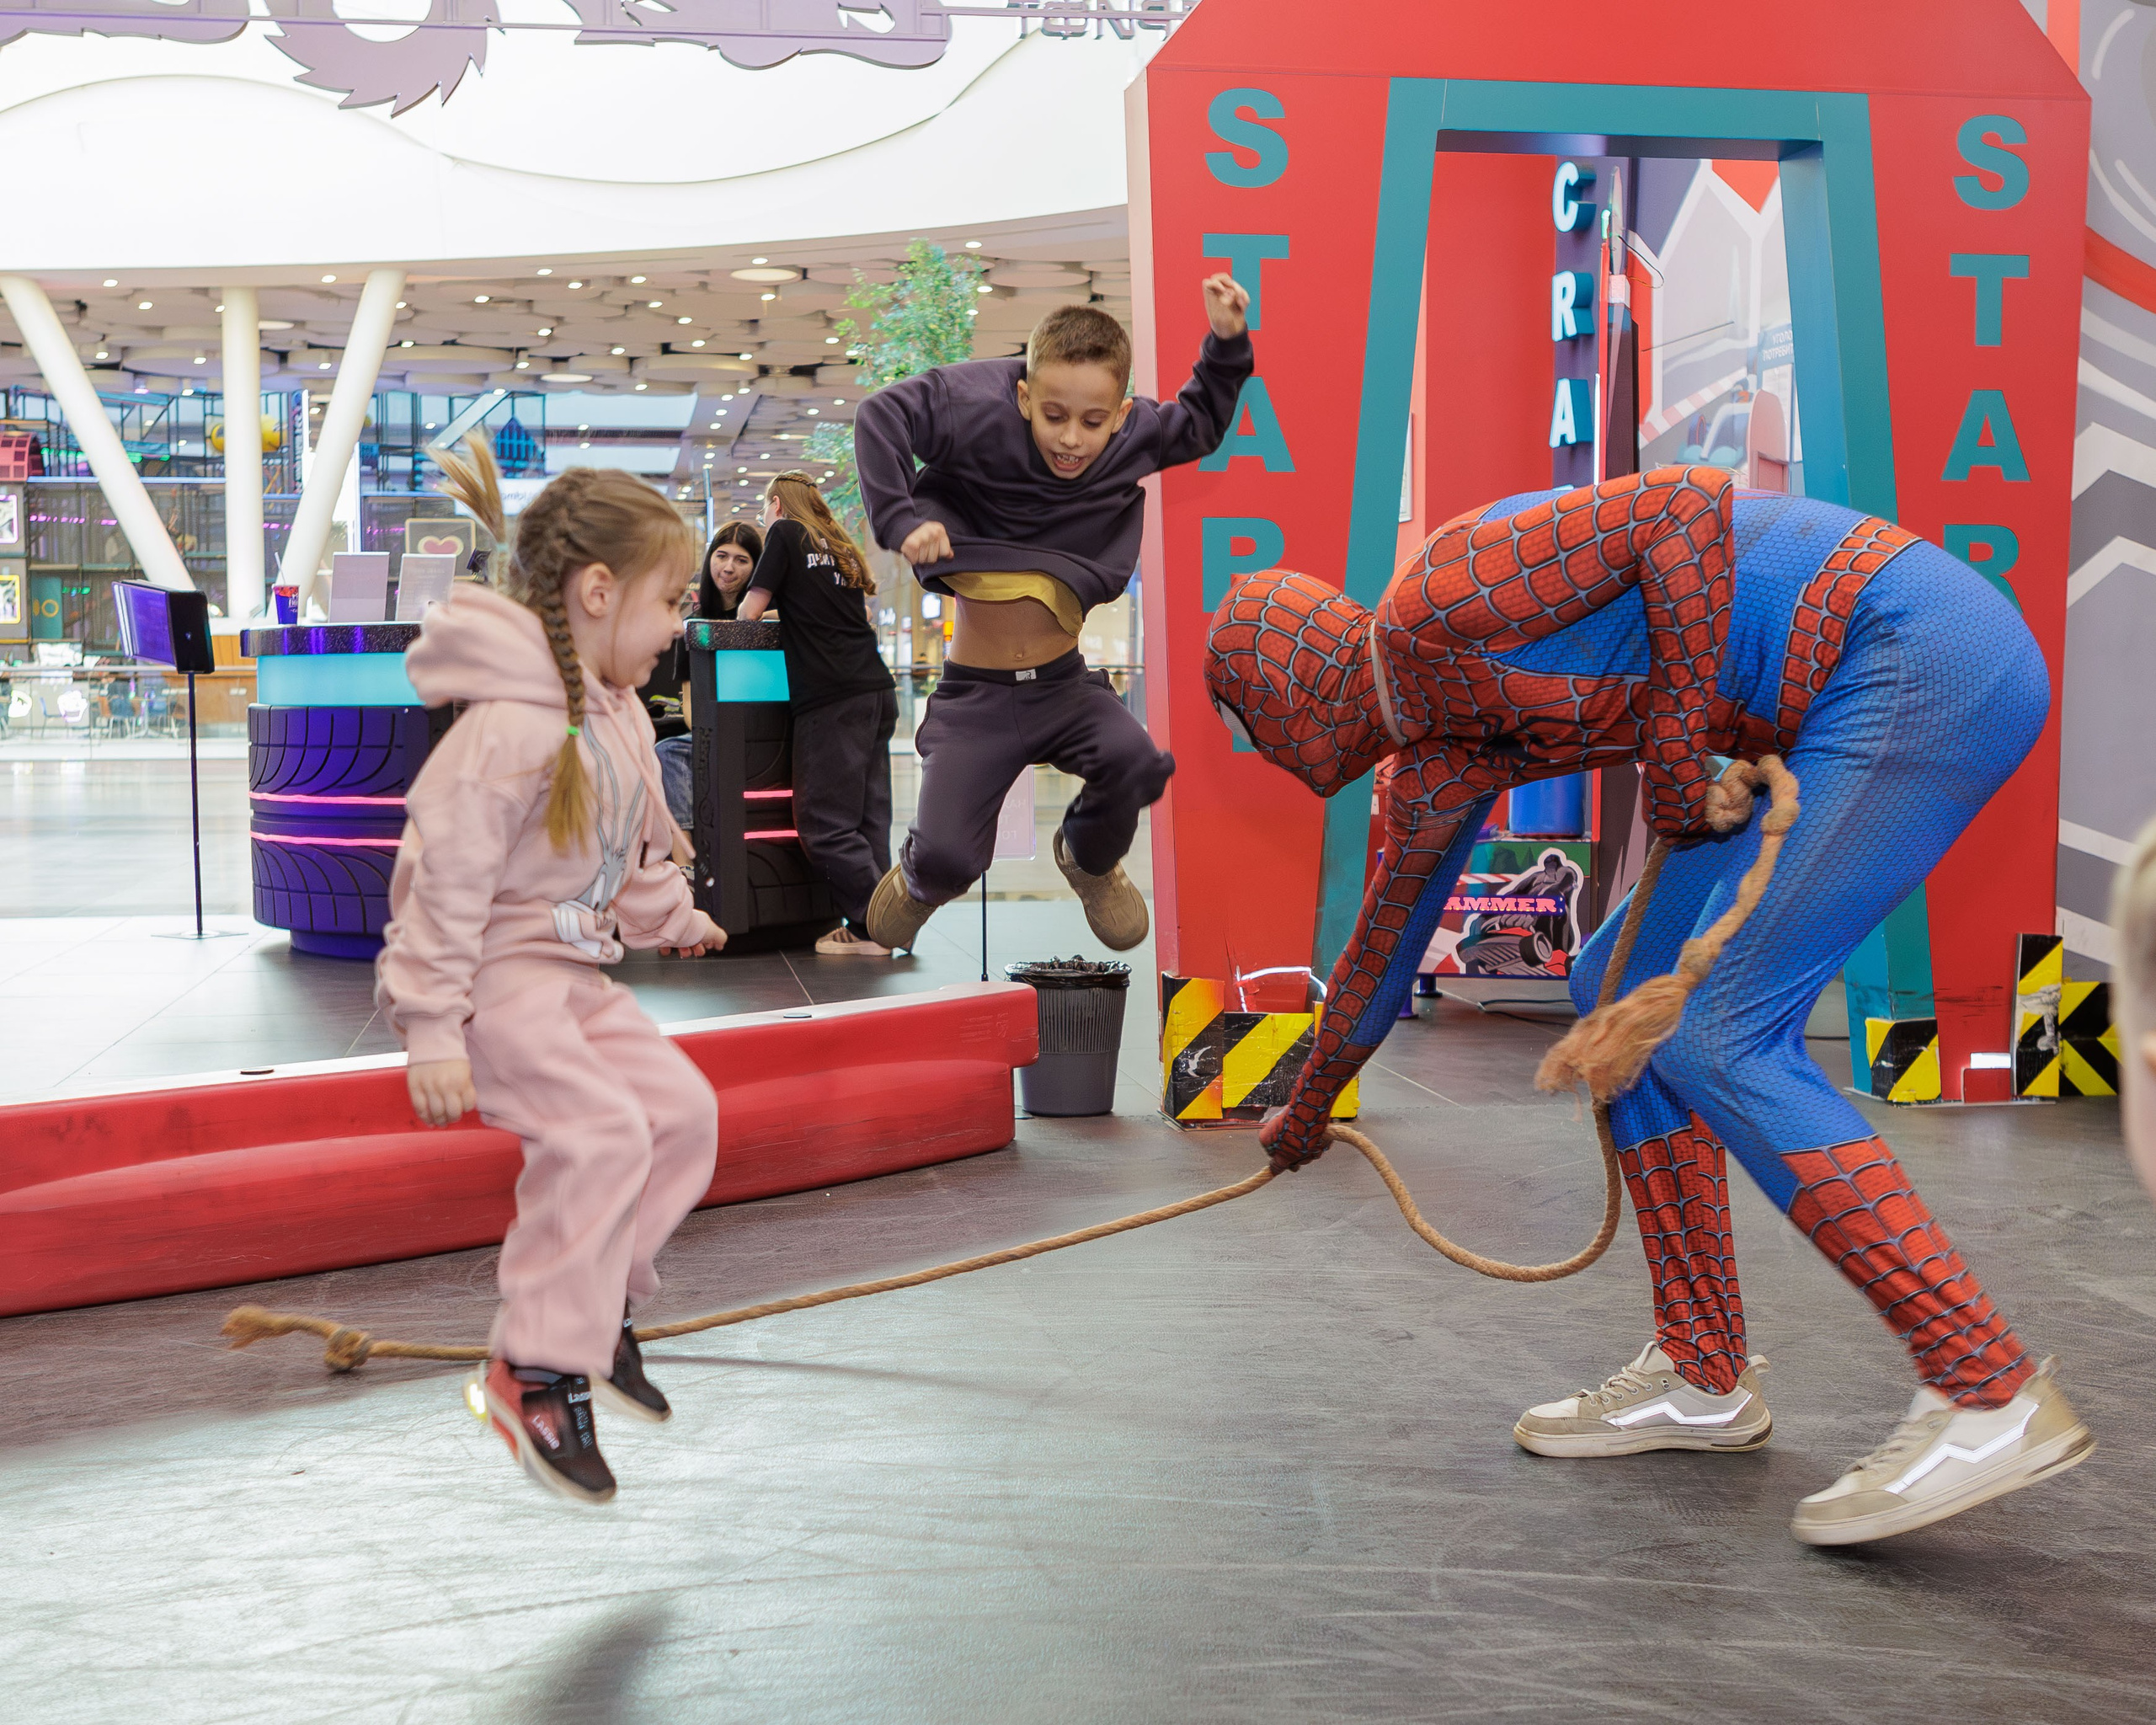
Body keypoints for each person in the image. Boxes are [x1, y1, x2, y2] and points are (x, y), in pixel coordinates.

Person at [1205, 468, 2094, 1546]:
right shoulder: (1438, 760)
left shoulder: (1436, 597)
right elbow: (1380, 956)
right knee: (1615, 998)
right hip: (1823, 705)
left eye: (1247, 715)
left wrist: (1673, 754)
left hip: (1911, 647)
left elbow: (1678, 509)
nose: (1260, 744)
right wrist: (1306, 1107)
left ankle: (1985, 1386)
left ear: (1290, 678)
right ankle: (1702, 1370)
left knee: (1723, 1033)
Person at [376, 439, 728, 1506]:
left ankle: (596, 1310)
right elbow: (444, 877)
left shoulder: (612, 712)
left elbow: (624, 848)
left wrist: (677, 918)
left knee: (682, 1113)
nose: (679, 625)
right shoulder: (510, 727)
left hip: (571, 971)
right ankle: (530, 1363)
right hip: (493, 982)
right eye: (670, 600)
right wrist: (431, 1026)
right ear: (598, 591)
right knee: (600, 1134)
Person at [852, 276, 1253, 954]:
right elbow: (880, 416)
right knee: (950, 859)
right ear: (1022, 397)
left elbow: (1199, 423)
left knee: (1138, 763)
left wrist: (1226, 341)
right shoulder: (972, 405)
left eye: (1093, 422)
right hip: (977, 698)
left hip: (1063, 687)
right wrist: (900, 518)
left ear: (1120, 415)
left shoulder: (1130, 436)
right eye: (1053, 416)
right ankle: (924, 876)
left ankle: (1087, 858)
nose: (1071, 439)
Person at [737, 472, 898, 956]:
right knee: (869, 820)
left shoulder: (785, 533)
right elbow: (838, 614)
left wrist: (759, 611)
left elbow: (748, 612)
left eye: (764, 509)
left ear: (776, 504)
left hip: (830, 696)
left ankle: (877, 926)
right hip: (875, 688)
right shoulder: (837, 542)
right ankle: (885, 924)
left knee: (824, 825)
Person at [654, 521, 766, 830]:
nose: (728, 568)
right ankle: (688, 848)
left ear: (756, 567)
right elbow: (690, 703)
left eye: (741, 560)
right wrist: (710, 734)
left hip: (761, 730)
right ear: (710, 559)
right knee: (668, 751)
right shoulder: (694, 626)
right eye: (722, 556)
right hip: (713, 732)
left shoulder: (765, 618)